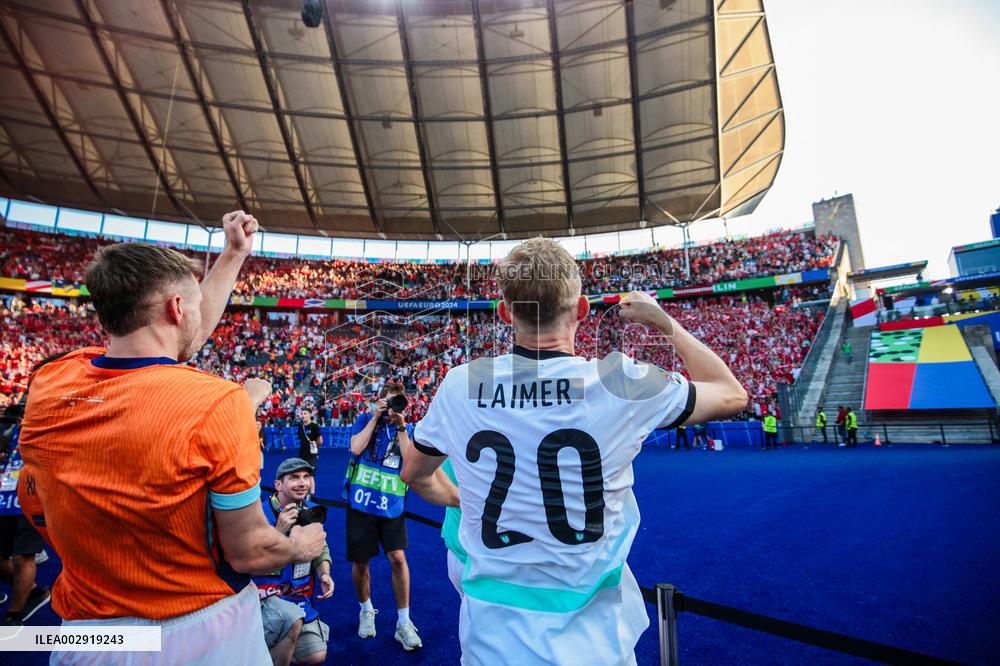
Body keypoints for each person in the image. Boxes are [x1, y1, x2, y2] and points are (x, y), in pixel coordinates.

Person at [402, 238, 747, 664]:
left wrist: (463, 498)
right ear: (582, 309)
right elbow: (731, 394)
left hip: (491, 643)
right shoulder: (621, 381)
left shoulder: (459, 385)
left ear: (505, 313)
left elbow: (414, 473)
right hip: (596, 645)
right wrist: (663, 322)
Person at [17, 211, 327, 665]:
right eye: (194, 304)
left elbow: (166, 363)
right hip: (193, 631)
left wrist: (234, 254)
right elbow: (249, 551)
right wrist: (301, 546)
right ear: (177, 309)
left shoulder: (49, 380)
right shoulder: (219, 403)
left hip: (84, 638)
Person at [345, 382, 424, 650]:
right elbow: (356, 448)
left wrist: (401, 426)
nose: (392, 408)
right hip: (361, 502)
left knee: (398, 559)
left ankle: (403, 622)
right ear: (378, 402)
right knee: (361, 561)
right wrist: (375, 417)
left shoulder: (408, 429)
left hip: (391, 504)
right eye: (388, 402)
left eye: (396, 403)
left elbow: (410, 461)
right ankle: (366, 609)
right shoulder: (365, 419)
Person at [256, 458, 334, 666]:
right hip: (264, 598)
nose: (302, 483)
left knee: (315, 656)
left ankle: (272, 648)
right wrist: (279, 532)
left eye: (306, 477)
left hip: (298, 596)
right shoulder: (259, 514)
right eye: (294, 478)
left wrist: (324, 573)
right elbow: (247, 560)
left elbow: (321, 549)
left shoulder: (311, 510)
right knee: (292, 621)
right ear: (278, 485)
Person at [0, 400, 50, 626]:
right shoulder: (12, 432)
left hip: (33, 498)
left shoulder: (50, 429)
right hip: (7, 497)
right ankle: (32, 591)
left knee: (23, 557)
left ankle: (14, 614)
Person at [297, 410, 322, 495]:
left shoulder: (314, 426)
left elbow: (320, 441)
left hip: (312, 455)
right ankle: (304, 493)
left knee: (311, 475)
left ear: (309, 415)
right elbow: (301, 439)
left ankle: (312, 495)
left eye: (305, 413)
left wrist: (315, 449)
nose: (303, 415)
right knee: (303, 474)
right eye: (302, 414)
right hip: (302, 454)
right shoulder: (301, 427)